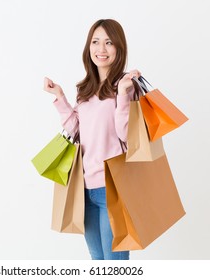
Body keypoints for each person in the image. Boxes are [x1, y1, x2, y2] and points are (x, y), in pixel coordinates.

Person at [43, 19, 141, 260]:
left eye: (109, 43)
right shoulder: (86, 89)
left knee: (115, 268)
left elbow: (127, 135)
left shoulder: (126, 85)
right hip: (84, 189)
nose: (101, 49)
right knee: (98, 263)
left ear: (119, 48)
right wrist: (60, 97)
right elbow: (77, 132)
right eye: (96, 42)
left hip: (112, 187)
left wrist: (122, 95)